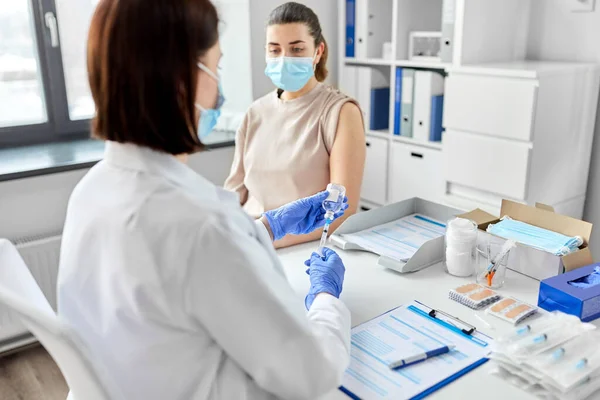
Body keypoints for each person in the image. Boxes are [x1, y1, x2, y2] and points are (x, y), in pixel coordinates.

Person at [57, 0, 351, 399]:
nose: (219, 85)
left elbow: (177, 278)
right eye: (217, 66)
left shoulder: (91, 191)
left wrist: (264, 227)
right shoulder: (202, 225)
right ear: (184, 79)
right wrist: (326, 300)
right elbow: (312, 374)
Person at [224, 2, 366, 249]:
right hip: (245, 243)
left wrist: (263, 237)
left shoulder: (340, 113)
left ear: (318, 51)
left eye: (297, 49)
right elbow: (233, 195)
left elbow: (342, 212)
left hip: (297, 249)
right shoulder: (255, 113)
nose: (284, 59)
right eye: (275, 50)